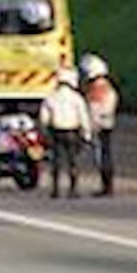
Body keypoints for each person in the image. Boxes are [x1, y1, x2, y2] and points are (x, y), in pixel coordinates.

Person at [37, 66, 94, 198]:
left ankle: (55, 189)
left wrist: (44, 132)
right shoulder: (76, 98)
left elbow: (44, 118)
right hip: (72, 132)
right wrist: (87, 134)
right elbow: (83, 117)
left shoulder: (51, 97)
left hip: (56, 132)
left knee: (56, 161)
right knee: (73, 161)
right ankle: (73, 189)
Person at [81, 53, 120, 196]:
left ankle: (107, 186)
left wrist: (91, 125)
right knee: (102, 155)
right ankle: (106, 185)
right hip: (104, 124)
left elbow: (96, 109)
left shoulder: (99, 89)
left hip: (101, 125)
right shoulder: (104, 87)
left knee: (103, 155)